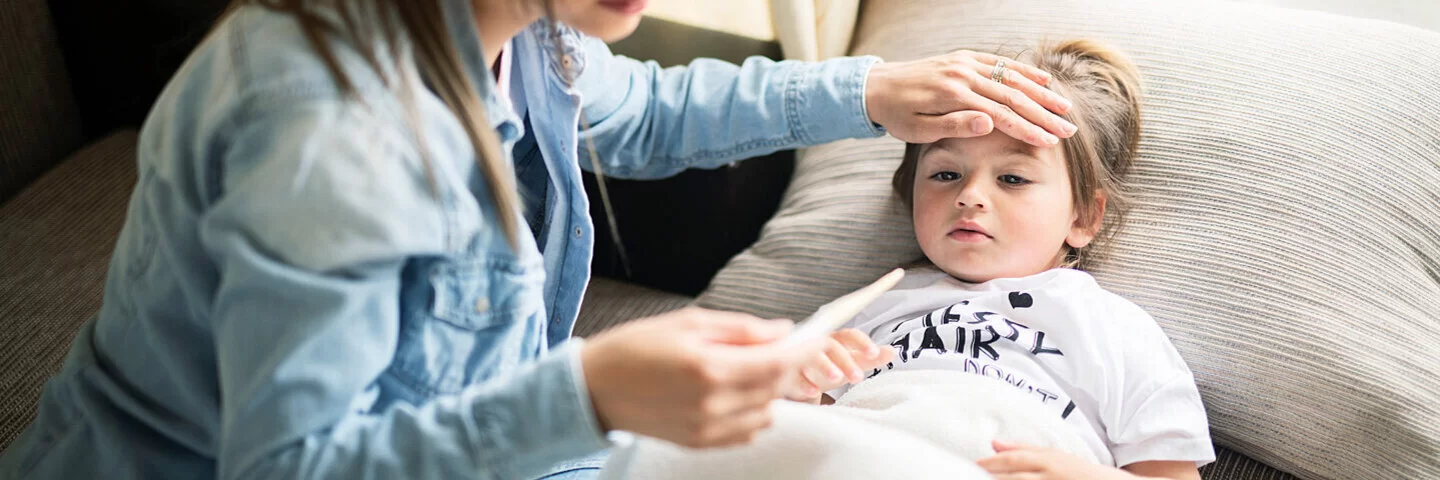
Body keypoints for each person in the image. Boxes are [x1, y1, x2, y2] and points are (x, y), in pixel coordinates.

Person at [0, 0, 1077, 478]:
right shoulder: (330, 133)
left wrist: (869, 90)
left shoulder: (519, 31)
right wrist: (591, 395)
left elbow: (648, 113)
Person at [788, 40, 1215, 480]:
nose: (969, 196)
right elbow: (782, 433)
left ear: (1084, 216)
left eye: (1012, 178)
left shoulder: (1118, 331)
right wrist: (800, 388)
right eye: (945, 174)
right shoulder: (868, 307)